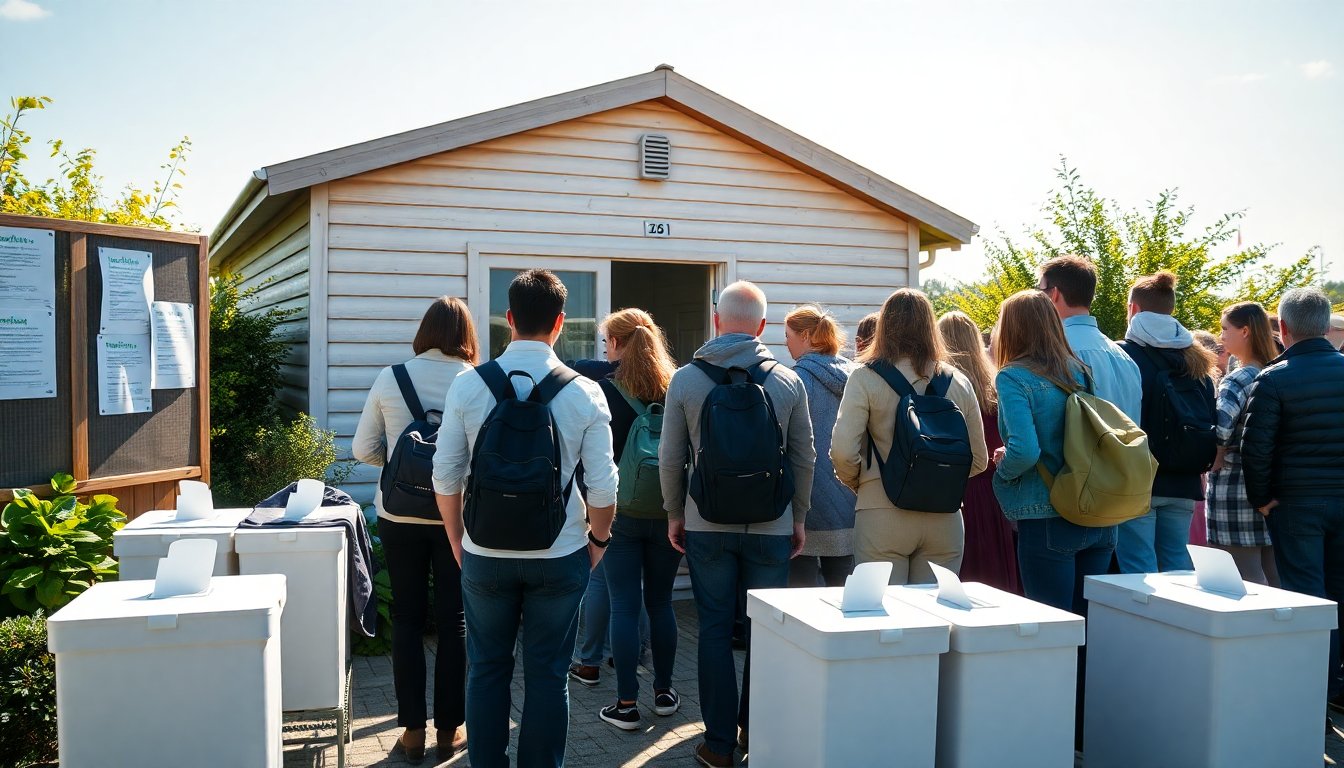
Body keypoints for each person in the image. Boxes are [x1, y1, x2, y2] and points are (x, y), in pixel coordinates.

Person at [432, 270, 617, 768]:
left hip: (484, 552)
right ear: (559, 323)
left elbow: (445, 475)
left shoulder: (469, 384)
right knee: (549, 675)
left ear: (508, 320)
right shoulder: (584, 392)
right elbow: (603, 487)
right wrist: (597, 542)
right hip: (560, 553)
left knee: (486, 670)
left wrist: (458, 540)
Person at [659, 280, 815, 767]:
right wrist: (799, 516)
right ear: (763, 328)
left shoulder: (687, 379)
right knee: (762, 633)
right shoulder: (789, 381)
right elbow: (805, 458)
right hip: (771, 524)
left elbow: (670, 456)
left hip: (707, 523)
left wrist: (673, 512)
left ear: (718, 322)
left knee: (711, 630)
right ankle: (758, 733)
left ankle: (718, 745)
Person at [351, 297, 474, 763]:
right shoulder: (475, 381)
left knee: (405, 618)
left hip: (399, 514)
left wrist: (406, 468)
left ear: (424, 331)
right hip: (455, 517)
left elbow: (364, 449)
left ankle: (411, 734)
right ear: (467, 335)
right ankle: (450, 731)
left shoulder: (392, 377)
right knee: (453, 620)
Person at [832, 289, 988, 585]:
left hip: (881, 511)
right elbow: (979, 459)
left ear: (885, 325)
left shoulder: (864, 377)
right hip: (945, 516)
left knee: (886, 620)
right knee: (935, 618)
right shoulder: (959, 381)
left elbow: (842, 451)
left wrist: (865, 484)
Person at [1240, 287, 1344, 710]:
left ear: (1282, 328)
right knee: (1336, 598)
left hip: (1296, 505)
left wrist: (1262, 499)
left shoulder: (1274, 378)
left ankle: (1308, 702)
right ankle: (1331, 690)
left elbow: (1256, 448)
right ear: (1325, 326)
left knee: (1305, 599)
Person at [991, 289, 1113, 613]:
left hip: (1046, 514)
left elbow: (1026, 451)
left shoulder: (1012, 376)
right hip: (1096, 510)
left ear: (1012, 329)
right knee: (1088, 627)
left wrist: (1002, 473)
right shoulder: (1080, 370)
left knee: (1053, 627)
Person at [592, 308, 683, 732]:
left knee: (624, 607)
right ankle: (664, 694)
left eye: (607, 341)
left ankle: (626, 704)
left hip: (620, 513)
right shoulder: (675, 386)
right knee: (661, 603)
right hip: (668, 512)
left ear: (618, 344)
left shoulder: (604, 391)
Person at [1117, 271, 1217, 573]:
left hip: (1139, 479)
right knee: (1178, 567)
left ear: (1133, 309)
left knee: (1139, 570)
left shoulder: (1124, 355)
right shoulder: (1197, 360)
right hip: (1185, 480)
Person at [938, 311, 1021, 594]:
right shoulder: (996, 385)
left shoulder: (942, 386)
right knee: (995, 581)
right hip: (993, 493)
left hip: (956, 492)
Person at [1205, 302, 1279, 586]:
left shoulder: (1238, 378)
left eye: (1226, 329)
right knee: (1272, 572)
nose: (1221, 336)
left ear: (1245, 331)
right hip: (1270, 485)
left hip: (1234, 484)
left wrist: (1217, 451)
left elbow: (1221, 428)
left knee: (1244, 575)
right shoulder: (1274, 372)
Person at [784, 304, 858, 587]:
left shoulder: (795, 380)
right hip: (849, 501)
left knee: (801, 599)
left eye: (789, 335)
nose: (786, 342)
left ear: (805, 336)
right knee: (844, 596)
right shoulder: (855, 377)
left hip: (805, 505)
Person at [1036, 256, 1142, 425]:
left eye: (1041, 290)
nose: (1038, 297)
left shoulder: (1053, 352)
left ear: (1054, 294)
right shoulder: (1125, 358)